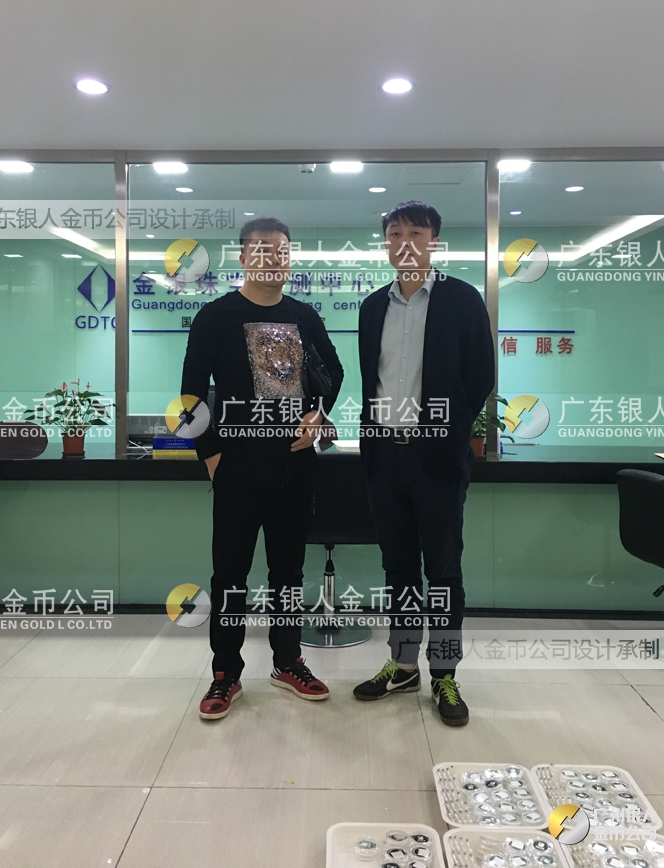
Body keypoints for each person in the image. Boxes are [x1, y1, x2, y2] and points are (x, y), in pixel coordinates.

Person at [182, 217, 344, 720]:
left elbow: (334, 371)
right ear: (243, 258)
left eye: (282, 251)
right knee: (230, 574)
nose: (274, 259)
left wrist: (318, 414)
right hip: (236, 467)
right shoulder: (216, 316)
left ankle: (288, 661)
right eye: (262, 250)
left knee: (288, 573)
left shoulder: (304, 316)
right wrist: (212, 457)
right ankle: (225, 672)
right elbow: (190, 395)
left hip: (295, 467)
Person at [352, 201, 495, 726]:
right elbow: (372, 379)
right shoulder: (373, 307)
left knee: (443, 571)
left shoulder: (462, 299)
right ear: (386, 243)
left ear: (434, 242)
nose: (405, 241)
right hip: (384, 458)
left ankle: (445, 673)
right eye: (395, 233)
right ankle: (404, 664)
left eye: (416, 232)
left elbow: (480, 376)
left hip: (437, 458)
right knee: (398, 569)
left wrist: (446, 429)